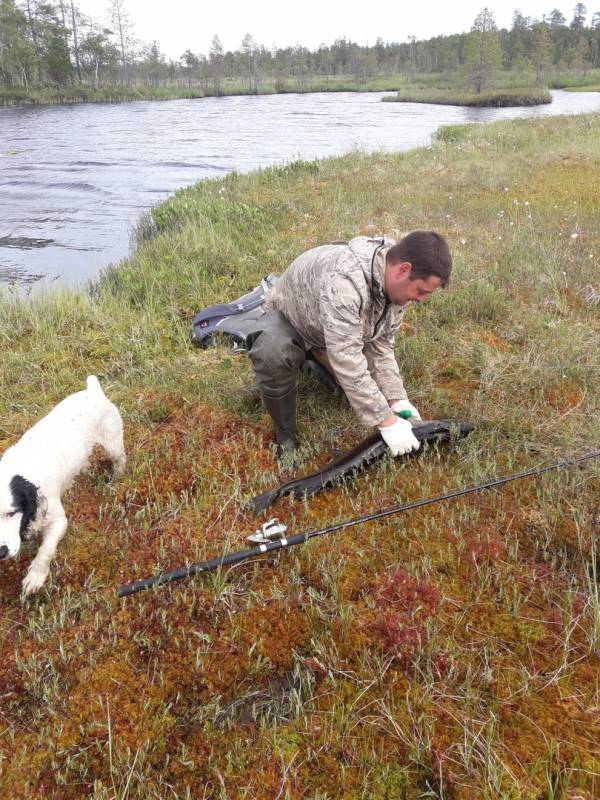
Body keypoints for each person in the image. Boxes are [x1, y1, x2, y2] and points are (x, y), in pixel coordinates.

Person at [246, 231, 452, 457]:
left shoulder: (396, 284)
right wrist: (386, 421)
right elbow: (346, 358)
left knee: (360, 394)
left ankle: (313, 359)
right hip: (292, 319)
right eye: (421, 291)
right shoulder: (345, 282)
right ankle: (286, 437)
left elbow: (381, 344)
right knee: (273, 351)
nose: (421, 300)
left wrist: (397, 399)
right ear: (404, 269)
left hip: (331, 331)